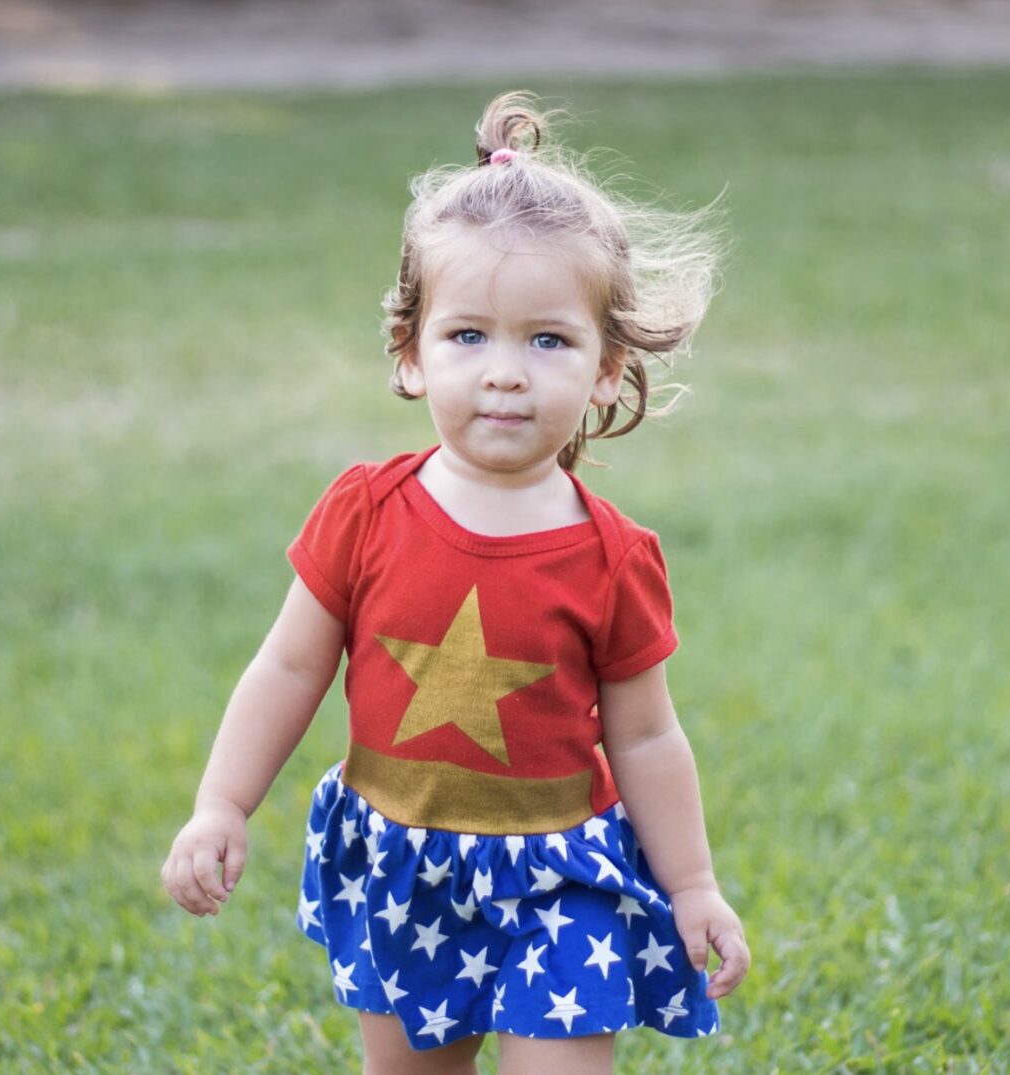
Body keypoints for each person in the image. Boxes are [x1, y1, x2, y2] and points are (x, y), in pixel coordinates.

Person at [160, 90, 749, 1074]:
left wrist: (690, 883)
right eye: (467, 335)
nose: (505, 373)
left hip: (561, 880)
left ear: (607, 369)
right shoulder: (364, 511)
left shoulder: (613, 557)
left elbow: (645, 731)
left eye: (547, 340)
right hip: (406, 868)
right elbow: (288, 667)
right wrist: (220, 804)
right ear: (409, 354)